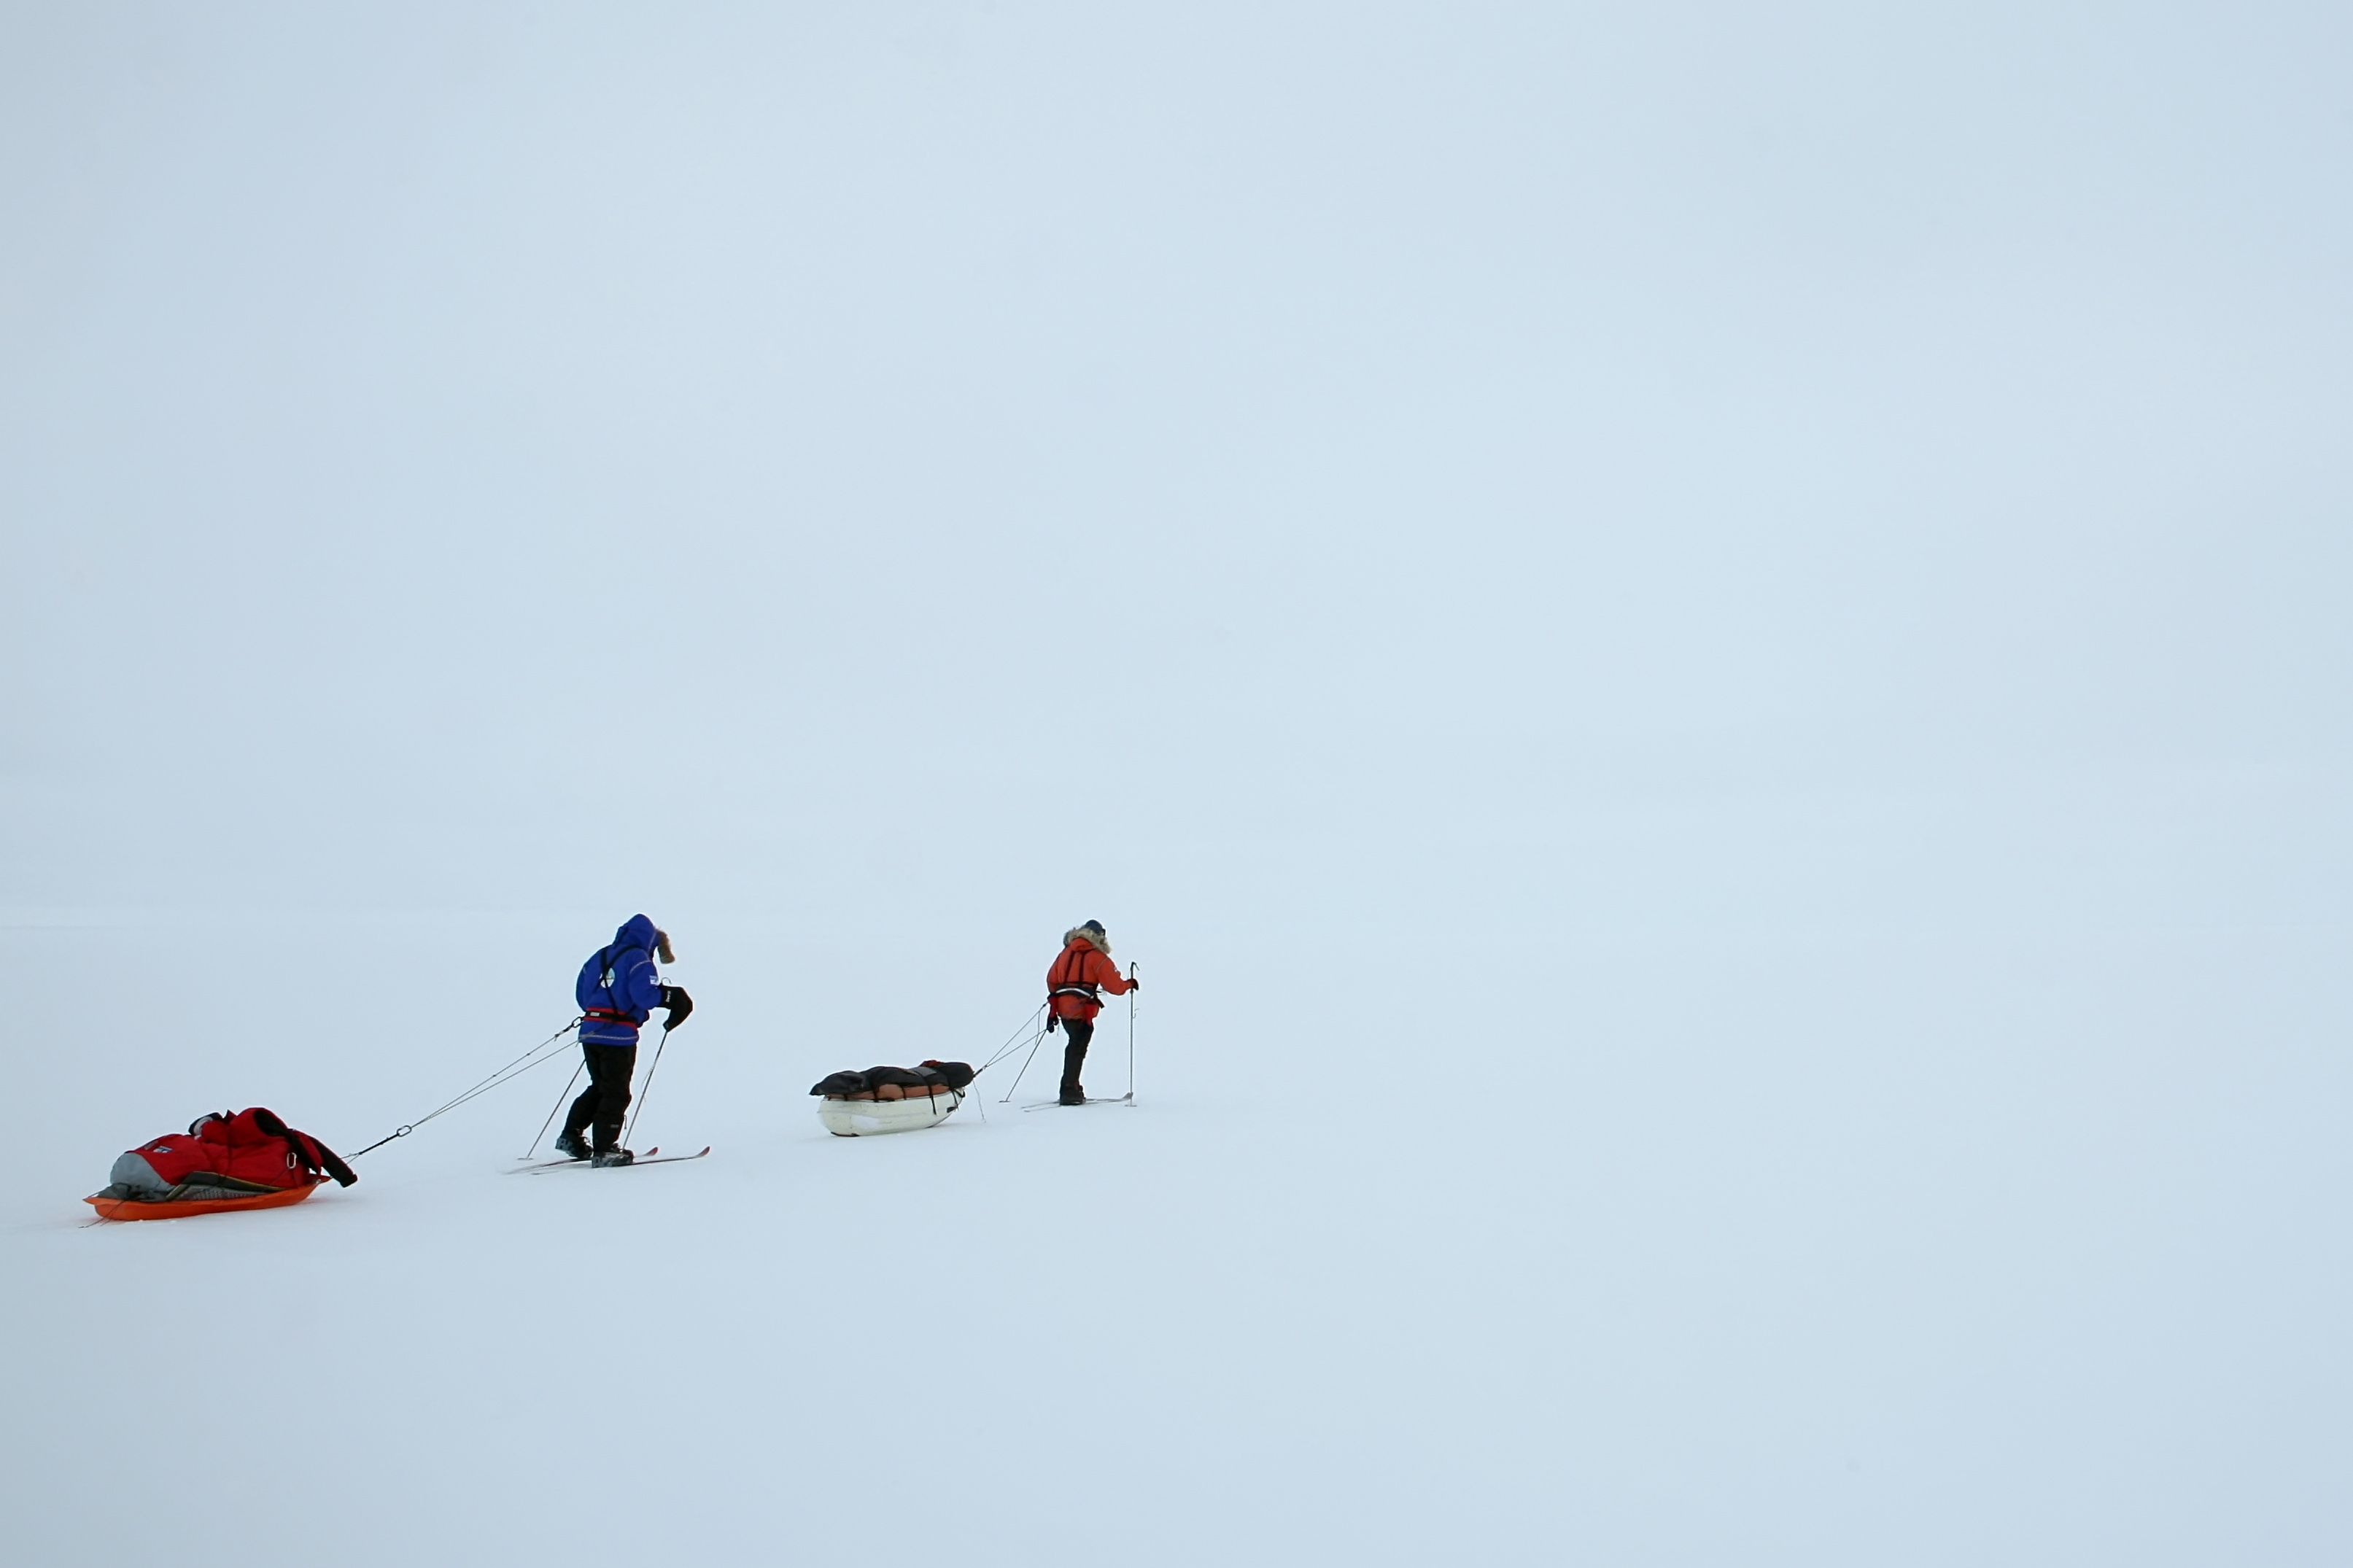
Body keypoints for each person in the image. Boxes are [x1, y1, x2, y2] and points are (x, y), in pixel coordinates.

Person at [557, 914, 692, 1165]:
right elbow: (645, 996)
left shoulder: (600, 956)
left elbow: (582, 995)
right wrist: (670, 998)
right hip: (618, 1035)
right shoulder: (638, 959)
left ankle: (571, 1136)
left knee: (599, 1086)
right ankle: (605, 1149)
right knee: (617, 1092)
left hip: (590, 1030)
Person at [1045, 920, 1136, 1105]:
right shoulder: (1097, 957)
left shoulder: (1065, 953)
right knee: (1077, 1047)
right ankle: (1069, 1091)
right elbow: (1115, 987)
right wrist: (1130, 984)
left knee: (1074, 1045)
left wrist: (1059, 1002)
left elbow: (1051, 979)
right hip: (1082, 1010)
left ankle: (1072, 1087)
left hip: (1063, 1009)